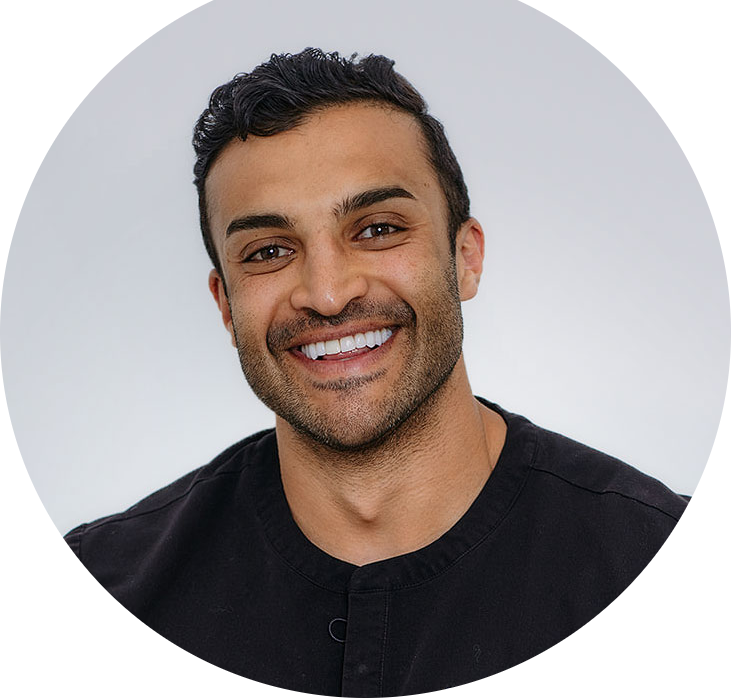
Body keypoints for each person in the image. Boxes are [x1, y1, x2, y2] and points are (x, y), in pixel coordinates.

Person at [64, 48, 688, 695]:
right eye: (269, 250)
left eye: (378, 229)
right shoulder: (113, 581)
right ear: (225, 305)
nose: (328, 293)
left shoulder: (642, 550)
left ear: (465, 258)